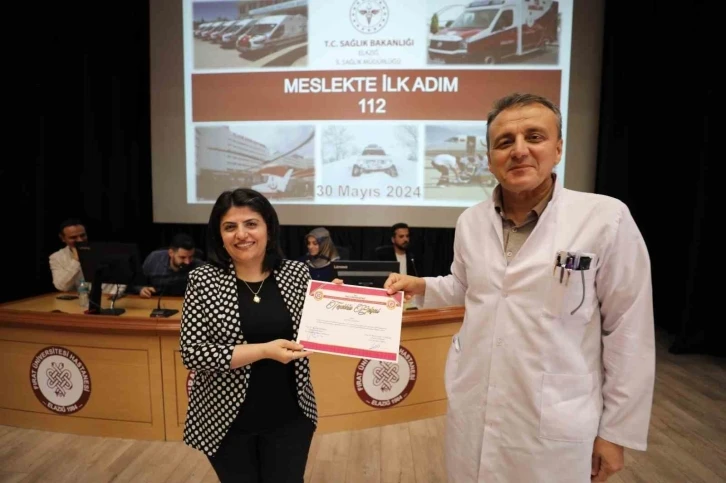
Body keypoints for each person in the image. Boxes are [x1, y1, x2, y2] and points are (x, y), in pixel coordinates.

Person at [382, 93, 655, 482]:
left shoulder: (605, 219)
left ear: (558, 148)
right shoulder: (471, 221)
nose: (519, 150)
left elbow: (629, 330)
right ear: (489, 157)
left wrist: (615, 432)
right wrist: (421, 285)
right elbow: (469, 288)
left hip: (557, 416)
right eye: (505, 141)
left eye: (534, 137)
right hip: (475, 406)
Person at [180, 188, 317, 482]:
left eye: (251, 223)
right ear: (219, 235)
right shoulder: (202, 280)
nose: (241, 234)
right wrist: (264, 351)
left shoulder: (297, 274)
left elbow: (320, 329)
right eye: (230, 227)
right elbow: (192, 353)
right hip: (225, 421)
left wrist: (341, 303)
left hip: (291, 417)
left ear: (269, 228)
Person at [48, 218, 123, 295]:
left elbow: (122, 277)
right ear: (63, 238)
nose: (80, 240)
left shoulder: (102, 250)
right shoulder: (56, 257)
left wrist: (113, 295)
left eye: (82, 235)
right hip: (76, 299)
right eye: (73, 237)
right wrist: (76, 261)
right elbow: (61, 287)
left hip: (107, 297)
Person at [138, 233, 204, 298]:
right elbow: (137, 283)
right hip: (153, 300)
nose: (187, 262)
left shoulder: (200, 267)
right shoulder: (154, 259)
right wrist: (141, 289)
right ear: (171, 253)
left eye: (191, 257)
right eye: (182, 257)